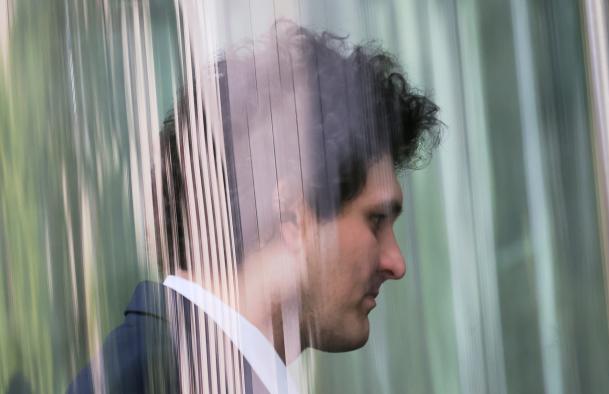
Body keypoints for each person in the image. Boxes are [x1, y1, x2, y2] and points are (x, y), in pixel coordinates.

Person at [68, 20, 441, 393]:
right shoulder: (154, 377)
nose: (396, 263)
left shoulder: (180, 368)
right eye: (375, 220)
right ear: (294, 216)